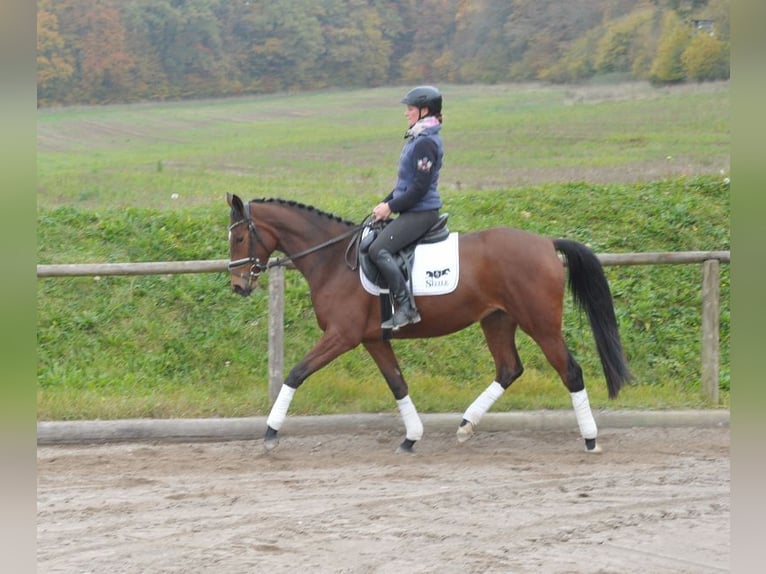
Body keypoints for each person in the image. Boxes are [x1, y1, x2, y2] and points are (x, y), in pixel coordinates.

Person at [369, 85, 444, 330]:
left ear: (424, 111)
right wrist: (385, 202)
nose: (406, 113)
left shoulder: (426, 143)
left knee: (379, 249)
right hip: (412, 208)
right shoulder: (417, 138)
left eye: (410, 108)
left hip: (422, 212)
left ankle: (406, 307)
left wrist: (390, 207)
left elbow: (419, 188)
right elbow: (405, 185)